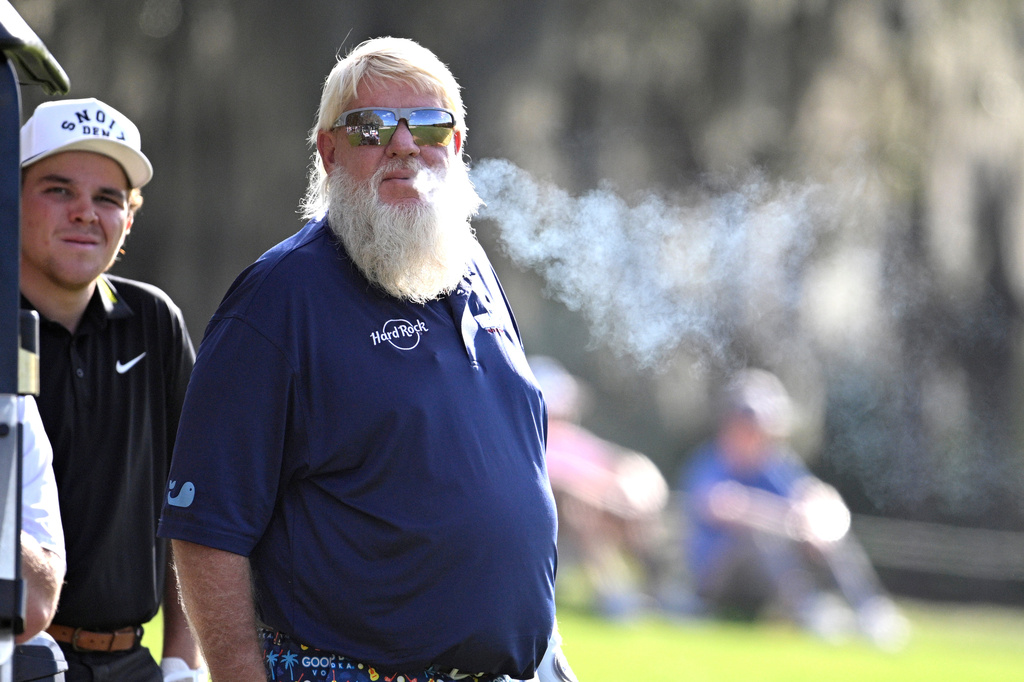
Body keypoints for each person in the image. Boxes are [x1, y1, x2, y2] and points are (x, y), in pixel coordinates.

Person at [158, 37, 577, 682]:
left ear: (457, 145)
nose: (404, 144)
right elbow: (206, 527)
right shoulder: (280, 296)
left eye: (429, 124)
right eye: (371, 126)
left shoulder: (475, 270)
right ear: (328, 153)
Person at [19, 97, 204, 681]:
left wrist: (181, 661)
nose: (85, 213)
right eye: (58, 189)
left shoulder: (155, 321)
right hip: (15, 657)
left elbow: (197, 503)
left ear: (128, 219)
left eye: (108, 199)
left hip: (135, 666)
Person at [680, 368, 909, 649]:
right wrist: (792, 521)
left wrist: (817, 524)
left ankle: (871, 610)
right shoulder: (709, 463)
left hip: (765, 586)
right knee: (758, 534)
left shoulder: (776, 464)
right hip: (717, 585)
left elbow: (818, 498)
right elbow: (724, 508)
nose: (760, 434)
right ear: (732, 424)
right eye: (751, 424)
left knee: (824, 530)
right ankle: (808, 610)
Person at [529, 356, 668, 619]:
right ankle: (613, 593)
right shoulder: (529, 444)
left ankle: (659, 592)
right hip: (560, 525)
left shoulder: (577, 442)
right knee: (578, 504)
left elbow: (633, 466)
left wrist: (631, 493)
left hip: (606, 511)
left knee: (626, 512)